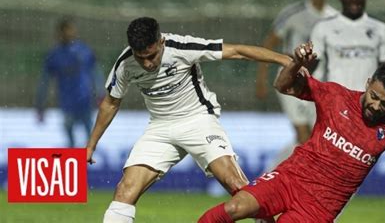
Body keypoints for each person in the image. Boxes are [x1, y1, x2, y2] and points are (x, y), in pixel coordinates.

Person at [85, 17, 292, 223]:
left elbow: (236, 51)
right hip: (159, 128)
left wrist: (285, 60)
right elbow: (111, 103)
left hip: (198, 121)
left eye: (152, 56)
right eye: (141, 58)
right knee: (125, 190)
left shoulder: (182, 47)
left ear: (161, 42)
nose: (147, 64)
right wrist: (91, 144)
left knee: (236, 185)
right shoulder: (125, 64)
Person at [198, 42, 385, 223]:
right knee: (233, 208)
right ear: (368, 84)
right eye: (374, 97)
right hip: (289, 179)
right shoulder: (335, 96)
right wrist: (296, 62)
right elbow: (283, 86)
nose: (376, 106)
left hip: (318, 209)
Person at [255, 0, 337, 168]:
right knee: (304, 135)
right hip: (291, 81)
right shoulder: (293, 14)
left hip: (319, 84)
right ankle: (300, 185)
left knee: (314, 138)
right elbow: (269, 43)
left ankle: (272, 173)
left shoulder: (335, 19)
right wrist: (261, 79)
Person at [311, 0, 385, 91]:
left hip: (366, 102)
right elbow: (311, 68)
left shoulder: (381, 29)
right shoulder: (323, 28)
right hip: (336, 100)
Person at [36, 18, 104, 148]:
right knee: (70, 138)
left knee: (90, 135)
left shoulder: (84, 50)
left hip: (85, 100)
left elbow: (96, 72)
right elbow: (44, 81)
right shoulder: (54, 55)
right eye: (65, 30)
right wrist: (40, 104)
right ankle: (75, 161)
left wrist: (101, 94)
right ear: (59, 33)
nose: (69, 33)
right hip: (67, 103)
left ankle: (90, 161)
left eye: (71, 30)